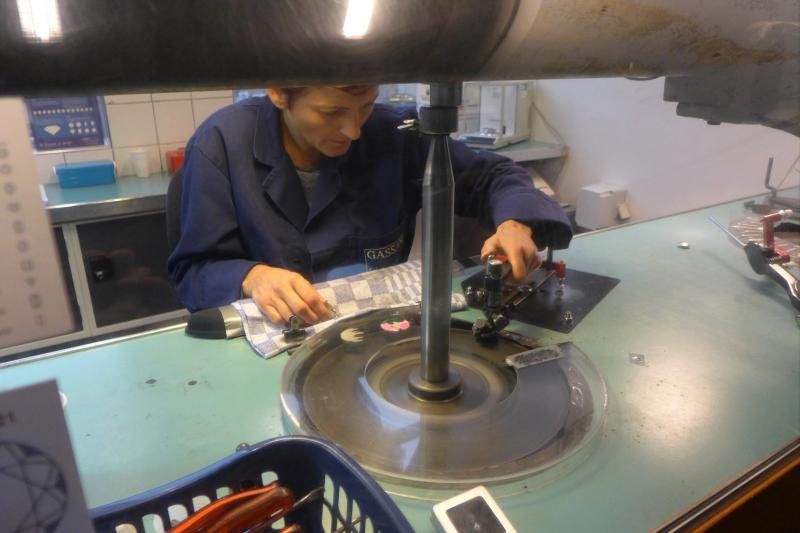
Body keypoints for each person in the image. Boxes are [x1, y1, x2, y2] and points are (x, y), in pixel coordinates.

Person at [167, 84, 572, 325]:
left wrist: (516, 223)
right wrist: (252, 276)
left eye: (366, 104)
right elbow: (194, 271)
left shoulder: (394, 132)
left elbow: (492, 176)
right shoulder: (221, 144)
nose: (353, 130)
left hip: (378, 336)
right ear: (278, 92)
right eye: (331, 112)